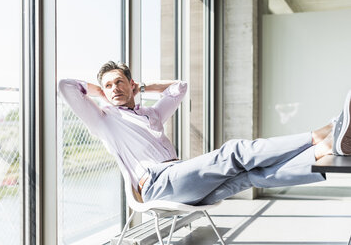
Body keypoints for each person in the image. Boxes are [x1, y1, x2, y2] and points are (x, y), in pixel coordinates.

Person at [59, 61, 351, 206]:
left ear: (131, 83)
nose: (114, 89)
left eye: (119, 82)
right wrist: (101, 92)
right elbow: (66, 87)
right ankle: (321, 134)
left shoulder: (151, 114)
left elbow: (180, 87)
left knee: (250, 175)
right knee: (235, 152)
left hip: (181, 176)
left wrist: (143, 88)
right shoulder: (104, 120)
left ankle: (321, 153)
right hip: (158, 185)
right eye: (108, 86)